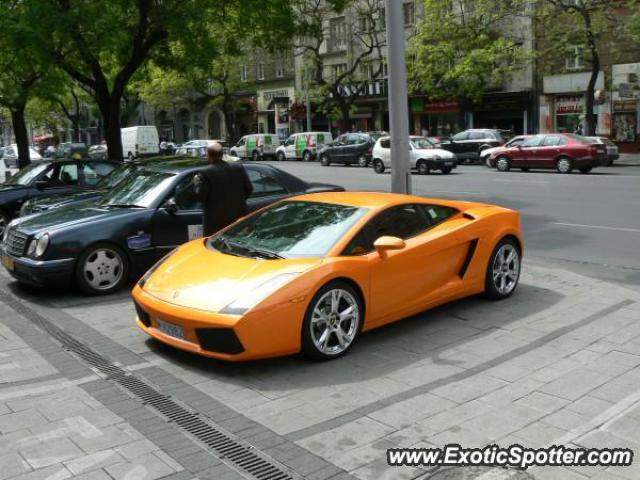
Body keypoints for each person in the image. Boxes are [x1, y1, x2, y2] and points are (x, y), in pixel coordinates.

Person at [192, 143, 253, 236]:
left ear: (209, 155)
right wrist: (238, 201)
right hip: (238, 219)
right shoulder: (238, 168)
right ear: (222, 154)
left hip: (215, 223)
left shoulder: (205, 173)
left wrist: (196, 184)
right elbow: (249, 188)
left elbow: (201, 197)